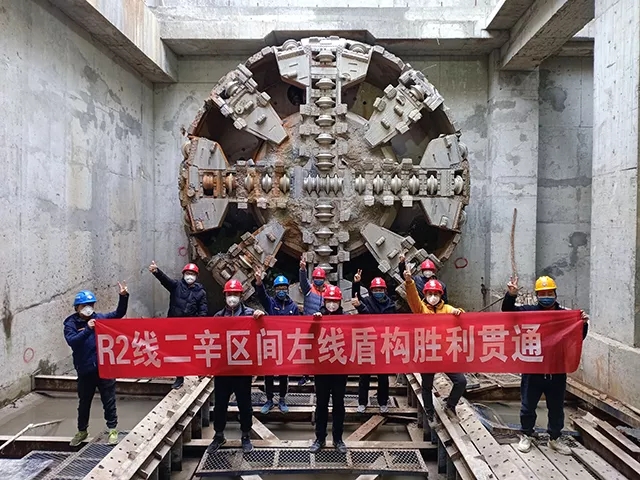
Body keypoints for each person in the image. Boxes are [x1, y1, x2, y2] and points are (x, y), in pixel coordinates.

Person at [502, 275, 589, 456]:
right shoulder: (529, 313)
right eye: (542, 294)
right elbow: (508, 312)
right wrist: (511, 295)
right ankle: (527, 435)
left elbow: (577, 337)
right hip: (532, 369)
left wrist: (582, 323)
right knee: (528, 407)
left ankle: (554, 438)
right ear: (537, 295)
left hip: (556, 370)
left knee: (556, 408)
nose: (546, 297)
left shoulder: (564, 316)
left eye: (549, 293)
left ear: (555, 294)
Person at [64, 283, 129, 447]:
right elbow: (72, 341)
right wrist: (87, 329)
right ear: (77, 307)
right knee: (84, 403)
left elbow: (119, 314)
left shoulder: (100, 318)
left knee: (109, 401)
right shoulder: (71, 324)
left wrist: (123, 297)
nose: (88, 308)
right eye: (84, 306)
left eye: (90, 305)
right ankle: (82, 431)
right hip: (85, 370)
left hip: (104, 369)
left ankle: (112, 430)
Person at [206, 279, 265, 455]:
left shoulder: (250, 315)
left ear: (241, 296)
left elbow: (264, 330)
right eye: (229, 294)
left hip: (242, 370)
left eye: (235, 294)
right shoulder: (218, 317)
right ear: (225, 296)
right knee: (220, 405)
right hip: (223, 369)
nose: (232, 297)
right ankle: (218, 435)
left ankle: (246, 435)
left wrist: (261, 316)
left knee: (244, 404)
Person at [403, 270, 466, 425]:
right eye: (430, 293)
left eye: (436, 294)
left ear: (440, 295)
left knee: (461, 381)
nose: (433, 296)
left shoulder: (447, 309)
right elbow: (412, 298)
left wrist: (459, 312)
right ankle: (430, 413)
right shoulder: (420, 309)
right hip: (427, 355)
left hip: (444, 354)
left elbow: (461, 316)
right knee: (427, 386)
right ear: (425, 294)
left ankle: (450, 406)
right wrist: (409, 282)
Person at [148, 260, 207, 389]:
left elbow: (203, 310)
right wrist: (157, 272)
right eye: (188, 273)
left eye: (192, 274)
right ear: (183, 274)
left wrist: (198, 324)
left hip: (190, 327)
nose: (190, 276)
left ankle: (199, 373)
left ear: (196, 276)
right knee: (177, 352)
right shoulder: (176, 286)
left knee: (193, 351)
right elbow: (165, 280)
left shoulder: (201, 292)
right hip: (174, 326)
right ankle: (179, 378)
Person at [309, 285, 349, 454]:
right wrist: (315, 323)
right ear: (324, 302)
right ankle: (320, 438)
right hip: (322, 369)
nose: (332, 304)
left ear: (340, 302)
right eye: (329, 301)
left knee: (339, 405)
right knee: (321, 404)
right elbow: (309, 337)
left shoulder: (346, 319)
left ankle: (338, 439)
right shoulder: (317, 317)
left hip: (339, 369)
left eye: (335, 301)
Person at [253, 269, 298, 414]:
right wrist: (259, 282)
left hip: (285, 345)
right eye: (278, 288)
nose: (281, 291)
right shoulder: (271, 304)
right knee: (269, 374)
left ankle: (282, 399)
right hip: (271, 345)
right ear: (275, 289)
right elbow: (262, 296)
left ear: (287, 289)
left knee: (284, 374)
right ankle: (269, 400)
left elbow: (298, 326)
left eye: (283, 288)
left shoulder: (293, 307)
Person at [351, 269, 394, 414]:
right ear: (371, 291)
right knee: (364, 376)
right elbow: (356, 298)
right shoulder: (367, 301)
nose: (378, 292)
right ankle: (362, 403)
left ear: (385, 290)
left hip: (383, 344)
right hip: (368, 343)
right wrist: (356, 283)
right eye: (375, 290)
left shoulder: (390, 305)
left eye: (380, 290)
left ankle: (383, 403)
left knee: (383, 377)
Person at [298, 256, 328, 385]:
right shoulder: (308, 289)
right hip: (309, 325)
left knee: (322, 349)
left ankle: (319, 375)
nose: (318, 280)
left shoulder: (328, 291)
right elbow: (303, 282)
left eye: (320, 278)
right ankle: (305, 375)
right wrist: (302, 270)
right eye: (316, 278)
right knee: (308, 350)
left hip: (323, 325)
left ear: (324, 279)